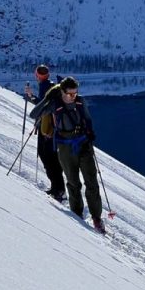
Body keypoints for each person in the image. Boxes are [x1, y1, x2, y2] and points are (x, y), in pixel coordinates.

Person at [29, 76, 105, 233]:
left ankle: (96, 218)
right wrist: (47, 98)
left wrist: (91, 133)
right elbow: (34, 114)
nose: (73, 96)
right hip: (65, 147)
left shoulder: (80, 101)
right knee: (73, 182)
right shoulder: (54, 103)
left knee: (91, 181)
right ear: (62, 92)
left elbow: (88, 119)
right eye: (70, 94)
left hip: (83, 144)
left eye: (75, 93)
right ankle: (77, 215)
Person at [24, 64, 66, 202]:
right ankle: (57, 188)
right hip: (51, 129)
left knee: (48, 157)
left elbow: (43, 107)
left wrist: (31, 98)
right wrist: (32, 97)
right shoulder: (51, 85)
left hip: (47, 129)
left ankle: (57, 189)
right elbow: (44, 104)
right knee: (51, 158)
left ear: (37, 75)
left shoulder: (45, 86)